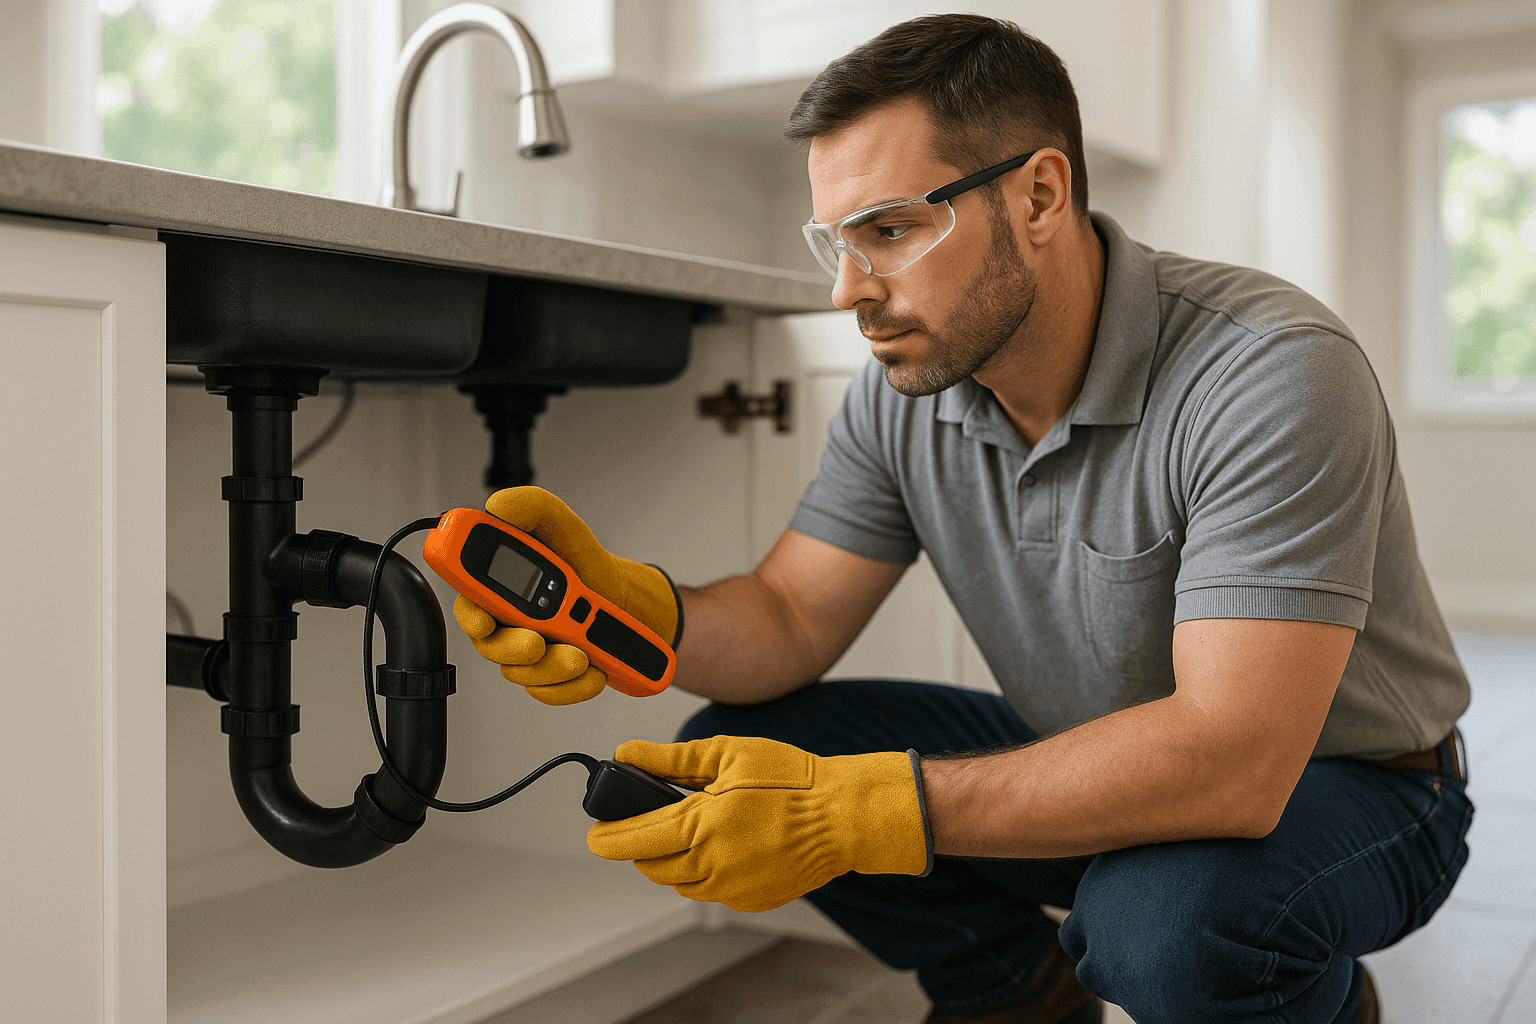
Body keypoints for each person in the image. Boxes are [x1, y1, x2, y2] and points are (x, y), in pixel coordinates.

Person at [452, 15, 1473, 1024]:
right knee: (747, 742)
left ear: (1038, 194)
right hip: (1101, 748)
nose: (851, 290)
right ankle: (1018, 992)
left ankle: (1321, 1002)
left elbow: (1235, 758)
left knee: (1162, 930)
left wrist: (857, 813)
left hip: (1356, 787)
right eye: (836, 241)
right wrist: (630, 611)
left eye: (890, 229)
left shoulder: (1270, 372)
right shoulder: (910, 391)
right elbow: (791, 617)